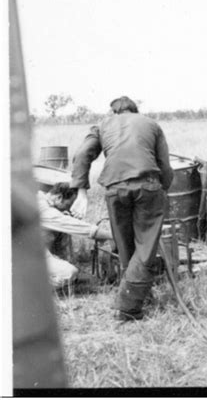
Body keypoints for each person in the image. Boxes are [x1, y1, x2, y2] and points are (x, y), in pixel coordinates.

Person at [70, 96, 174, 321]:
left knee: (125, 246)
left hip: (115, 191)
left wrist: (81, 191)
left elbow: (81, 154)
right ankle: (128, 306)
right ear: (135, 110)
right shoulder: (151, 124)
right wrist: (163, 189)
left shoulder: (102, 125)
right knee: (145, 247)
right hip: (147, 187)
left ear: (113, 112)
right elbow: (165, 165)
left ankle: (137, 297)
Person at [38, 182, 113, 289]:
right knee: (69, 273)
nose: (68, 210)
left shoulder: (45, 200)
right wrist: (113, 235)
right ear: (59, 197)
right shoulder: (43, 208)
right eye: (69, 205)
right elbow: (82, 228)